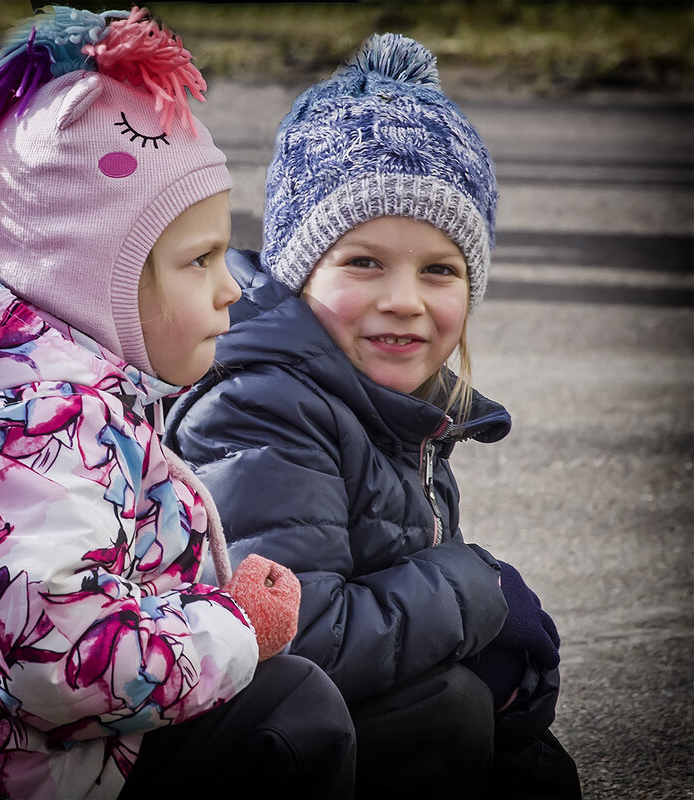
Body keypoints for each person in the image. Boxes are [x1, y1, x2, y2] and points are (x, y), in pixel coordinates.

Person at [0, 6, 355, 799]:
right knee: (292, 710)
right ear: (87, 277)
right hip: (27, 773)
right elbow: (64, 669)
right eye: (199, 259)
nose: (230, 287)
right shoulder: (39, 417)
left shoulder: (10, 377)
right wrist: (234, 625)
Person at [166, 33, 582, 799]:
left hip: (326, 703)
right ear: (301, 270)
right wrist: (480, 587)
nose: (405, 298)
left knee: (528, 764)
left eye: (439, 270)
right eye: (364, 262)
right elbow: (301, 634)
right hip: (243, 731)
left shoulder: (385, 400)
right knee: (449, 712)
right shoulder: (264, 404)